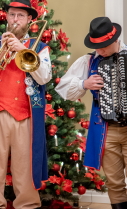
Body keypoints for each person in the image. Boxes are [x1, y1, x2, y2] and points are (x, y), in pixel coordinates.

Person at [0, 0, 52, 209]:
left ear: (29, 20)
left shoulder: (40, 47)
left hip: (25, 116)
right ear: (6, 17)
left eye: (20, 16)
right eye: (11, 15)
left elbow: (44, 77)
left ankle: (27, 205)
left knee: (25, 170)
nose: (15, 19)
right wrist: (1, 52)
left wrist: (21, 49)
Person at [55, 17, 127, 209]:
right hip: (106, 129)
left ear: (114, 41)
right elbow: (62, 88)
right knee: (114, 181)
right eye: (97, 46)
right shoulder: (89, 61)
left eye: (103, 46)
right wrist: (83, 84)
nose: (100, 51)